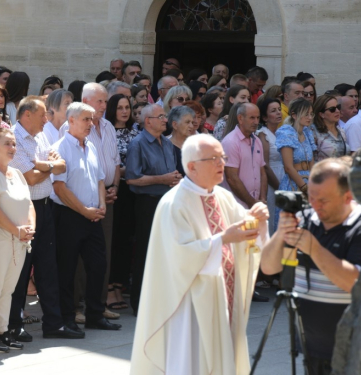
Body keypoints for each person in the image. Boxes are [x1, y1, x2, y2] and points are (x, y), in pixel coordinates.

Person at [130, 134, 269, 375]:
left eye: (222, 157)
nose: (221, 164)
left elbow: (246, 234)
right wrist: (224, 239)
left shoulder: (223, 196)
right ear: (192, 166)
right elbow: (179, 256)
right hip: (188, 304)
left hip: (223, 294)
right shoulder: (174, 203)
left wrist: (257, 219)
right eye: (213, 158)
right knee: (193, 362)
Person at [261, 158, 361, 374]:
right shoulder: (305, 219)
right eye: (312, 197)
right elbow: (269, 268)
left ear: (348, 196)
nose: (316, 205)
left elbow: (354, 283)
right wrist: (280, 235)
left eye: (324, 200)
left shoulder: (357, 227)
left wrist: (314, 249)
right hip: (311, 348)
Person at [9, 97, 83, 341]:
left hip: (45, 208)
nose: (46, 120)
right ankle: (13, 323)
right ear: (27, 115)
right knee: (20, 270)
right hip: (23, 209)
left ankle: (54, 323)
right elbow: (28, 178)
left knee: (48, 267)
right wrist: (48, 167)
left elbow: (61, 166)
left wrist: (44, 166)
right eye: (42, 115)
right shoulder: (15, 138)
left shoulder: (41, 136)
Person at [51, 102, 121, 331]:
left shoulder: (90, 146)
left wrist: (101, 205)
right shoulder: (60, 148)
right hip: (69, 215)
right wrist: (84, 210)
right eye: (85, 119)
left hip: (93, 215)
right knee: (68, 269)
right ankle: (67, 319)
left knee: (99, 265)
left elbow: (100, 179)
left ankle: (95, 314)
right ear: (70, 121)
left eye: (92, 119)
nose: (90, 124)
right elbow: (60, 188)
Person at [0, 128, 36, 352]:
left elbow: (29, 204)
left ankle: (2, 331)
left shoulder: (18, 174)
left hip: (19, 240)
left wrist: (30, 228)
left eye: (14, 144)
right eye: (7, 144)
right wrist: (17, 230)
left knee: (8, 289)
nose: (13, 148)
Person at [125, 103, 180, 314]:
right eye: (161, 116)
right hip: (147, 203)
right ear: (148, 121)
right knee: (146, 252)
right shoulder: (137, 144)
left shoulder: (166, 143)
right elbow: (132, 178)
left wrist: (175, 178)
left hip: (167, 202)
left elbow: (170, 172)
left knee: (167, 253)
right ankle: (140, 303)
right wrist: (163, 179)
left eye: (165, 116)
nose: (165, 120)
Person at [105, 94, 138, 310]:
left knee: (126, 239)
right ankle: (108, 289)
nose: (124, 112)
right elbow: (112, 164)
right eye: (120, 108)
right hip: (113, 189)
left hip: (131, 191)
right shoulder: (107, 131)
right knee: (113, 239)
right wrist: (126, 170)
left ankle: (119, 285)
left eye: (127, 107)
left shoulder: (135, 132)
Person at [221, 103, 267, 209]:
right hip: (236, 207)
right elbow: (231, 178)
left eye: (258, 118)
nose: (256, 122)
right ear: (240, 118)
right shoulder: (230, 142)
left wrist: (262, 199)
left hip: (255, 205)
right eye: (252, 118)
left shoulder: (257, 140)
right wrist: (252, 202)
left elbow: (262, 172)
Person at [275, 98, 316, 201]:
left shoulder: (307, 133)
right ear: (294, 115)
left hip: (308, 179)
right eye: (306, 114)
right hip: (293, 181)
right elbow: (288, 167)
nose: (310, 117)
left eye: (311, 114)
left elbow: (311, 162)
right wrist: (304, 187)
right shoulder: (286, 133)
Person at [257, 98, 284, 232]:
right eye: (273, 111)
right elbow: (265, 165)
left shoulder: (281, 133)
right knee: (273, 215)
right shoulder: (263, 134)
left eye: (279, 109)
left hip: (285, 175)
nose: (279, 113)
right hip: (271, 179)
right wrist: (279, 187)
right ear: (265, 117)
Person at [310, 95, 349, 161]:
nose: (337, 111)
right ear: (321, 114)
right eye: (332, 109)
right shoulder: (313, 132)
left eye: (338, 107)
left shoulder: (341, 131)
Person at [168, 105, 197, 176]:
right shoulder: (166, 147)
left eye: (192, 123)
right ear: (175, 125)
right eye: (187, 122)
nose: (191, 126)